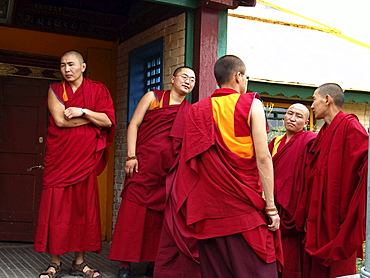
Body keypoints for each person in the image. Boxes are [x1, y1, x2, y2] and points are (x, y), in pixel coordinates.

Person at [172, 55, 283, 278]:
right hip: (243, 205)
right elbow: (263, 158)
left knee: (216, 271)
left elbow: (189, 163)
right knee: (259, 269)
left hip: (208, 209)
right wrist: (270, 206)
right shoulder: (251, 103)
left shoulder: (197, 109)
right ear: (238, 76)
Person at [34, 50, 116, 278]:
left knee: (82, 210)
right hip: (59, 162)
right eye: (62, 65)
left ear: (83, 66)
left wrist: (83, 111)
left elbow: (108, 120)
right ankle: (54, 262)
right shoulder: (55, 90)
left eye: (71, 64)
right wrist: (91, 121)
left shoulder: (98, 90)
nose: (66, 69)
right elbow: (60, 120)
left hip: (84, 163)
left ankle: (79, 262)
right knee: (56, 210)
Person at [108, 67, 195, 278]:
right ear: (173, 78)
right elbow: (134, 125)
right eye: (184, 76)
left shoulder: (189, 110)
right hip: (143, 165)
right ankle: (125, 264)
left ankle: (154, 262)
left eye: (192, 80)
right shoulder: (153, 97)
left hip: (169, 172)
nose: (188, 81)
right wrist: (131, 155)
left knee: (160, 219)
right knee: (132, 214)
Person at [296, 83, 368, 278]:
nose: (311, 105)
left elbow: (365, 164)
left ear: (327, 99)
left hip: (339, 220)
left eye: (314, 99)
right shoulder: (324, 133)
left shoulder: (350, 126)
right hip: (318, 217)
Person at [268, 103, 317, 278]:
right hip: (274, 206)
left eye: (298, 116)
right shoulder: (275, 143)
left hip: (296, 207)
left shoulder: (310, 140)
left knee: (293, 255)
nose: (292, 118)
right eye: (289, 113)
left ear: (306, 122)